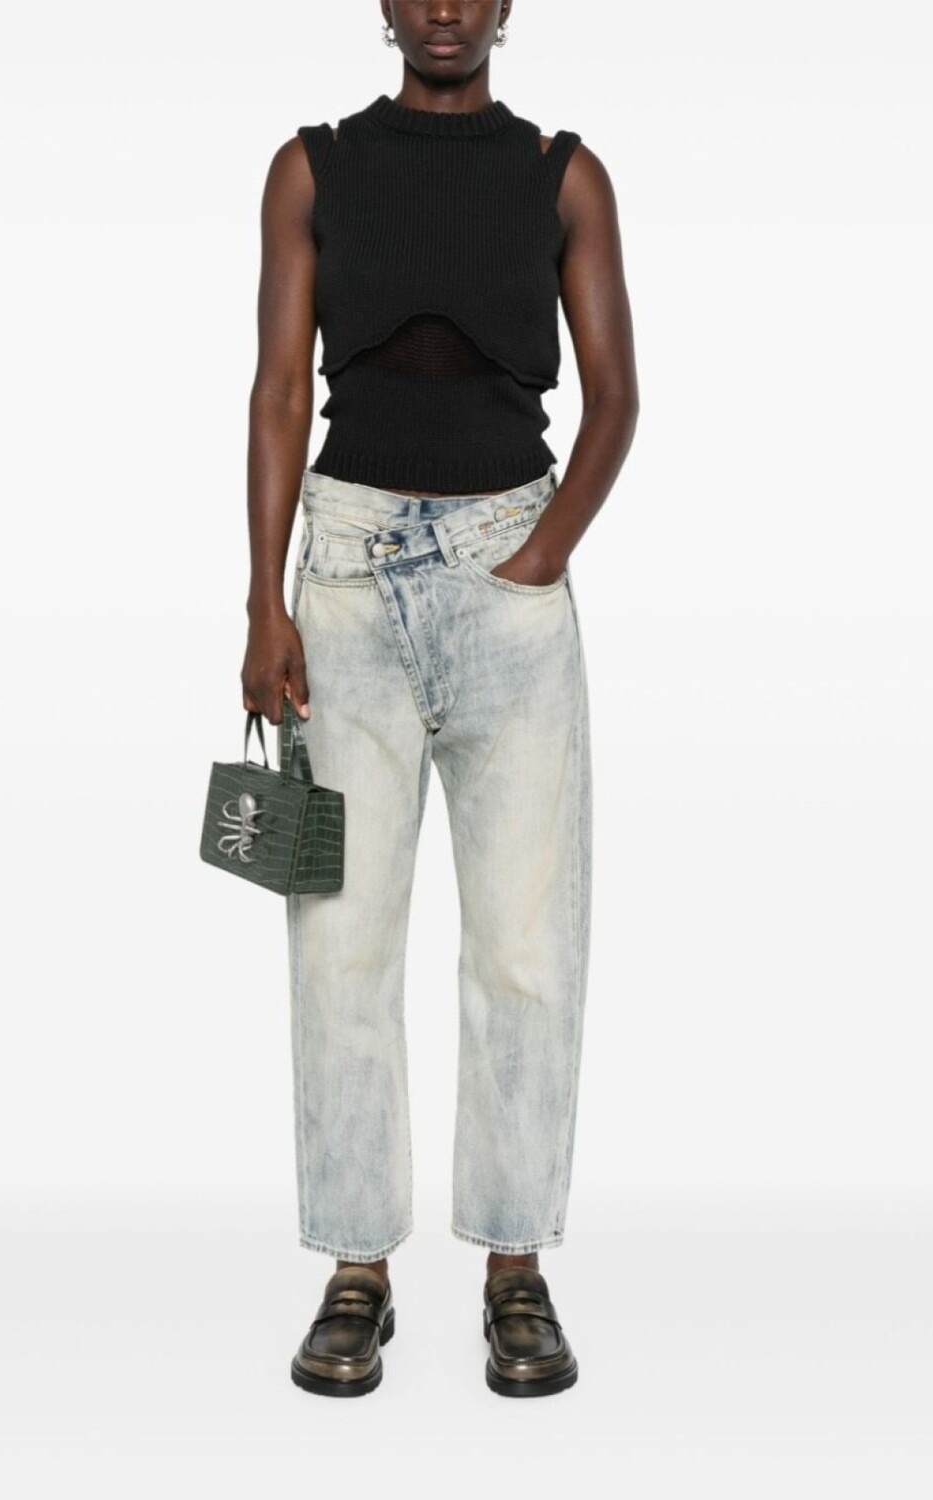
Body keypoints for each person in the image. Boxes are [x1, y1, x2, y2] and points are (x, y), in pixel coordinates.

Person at [241, 0, 638, 1398]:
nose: (447, 9)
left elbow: (616, 398)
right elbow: (279, 390)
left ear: (507, 6)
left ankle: (514, 1267)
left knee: (526, 945)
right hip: (345, 577)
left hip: (508, 574)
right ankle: (356, 1269)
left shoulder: (562, 175)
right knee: (340, 942)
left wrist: (540, 555)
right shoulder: (313, 167)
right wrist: (265, 599)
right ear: (385, 6)